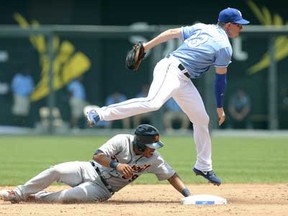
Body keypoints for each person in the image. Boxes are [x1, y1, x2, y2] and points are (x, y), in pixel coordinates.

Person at [86, 7, 250, 186]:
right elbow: (220, 79)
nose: (240, 28)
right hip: (171, 69)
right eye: (238, 25)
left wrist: (146, 47)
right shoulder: (225, 47)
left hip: (184, 79)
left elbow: (172, 33)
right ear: (228, 25)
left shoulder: (203, 27)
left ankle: (203, 166)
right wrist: (220, 107)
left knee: (201, 119)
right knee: (153, 103)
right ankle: (99, 113)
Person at [0, 124, 191, 203]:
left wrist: (187, 195)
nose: (154, 149)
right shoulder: (121, 140)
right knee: (56, 169)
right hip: (88, 169)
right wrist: (117, 165)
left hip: (102, 189)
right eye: (150, 145)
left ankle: (37, 199)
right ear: (139, 143)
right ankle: (18, 193)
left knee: (67, 197)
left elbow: (171, 175)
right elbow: (97, 156)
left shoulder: (154, 159)